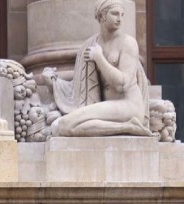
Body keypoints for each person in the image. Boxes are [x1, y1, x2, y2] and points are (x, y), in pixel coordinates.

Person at [49, 0, 153, 137]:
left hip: (129, 105)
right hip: (109, 107)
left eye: (122, 14)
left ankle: (131, 125)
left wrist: (99, 58)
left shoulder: (128, 43)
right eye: (115, 14)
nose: (119, 19)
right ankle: (128, 127)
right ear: (102, 16)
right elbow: (78, 85)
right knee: (63, 127)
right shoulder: (93, 43)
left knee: (64, 124)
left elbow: (123, 84)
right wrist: (55, 83)